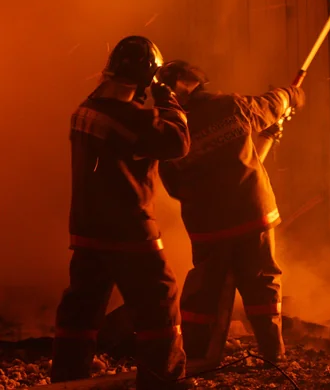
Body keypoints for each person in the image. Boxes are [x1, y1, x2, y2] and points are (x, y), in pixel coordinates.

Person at [51, 36, 190, 388]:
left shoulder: (85, 109)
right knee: (160, 303)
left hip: (88, 230)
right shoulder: (131, 119)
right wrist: (167, 99)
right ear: (146, 80)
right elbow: (177, 142)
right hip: (129, 232)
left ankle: (67, 381)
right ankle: (163, 380)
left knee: (81, 310)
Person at [155, 60, 305, 370]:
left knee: (203, 291)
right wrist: (292, 95)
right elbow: (271, 104)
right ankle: (273, 354)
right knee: (262, 283)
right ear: (197, 83)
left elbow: (173, 185)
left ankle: (195, 354)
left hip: (207, 225)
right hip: (252, 214)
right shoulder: (231, 106)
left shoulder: (169, 130)